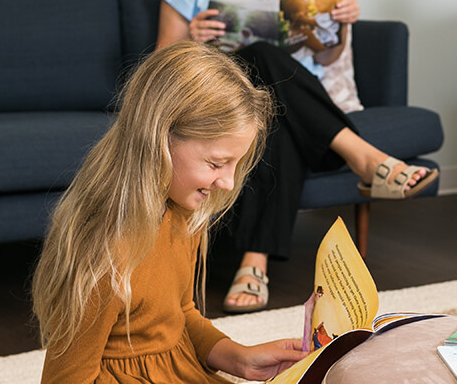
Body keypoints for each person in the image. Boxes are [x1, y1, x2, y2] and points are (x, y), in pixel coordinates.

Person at [157, 0, 438, 314]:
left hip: (287, 102)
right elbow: (160, 67)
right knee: (263, 59)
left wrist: (341, 28)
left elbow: (325, 58)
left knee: (272, 107)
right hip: (219, 98)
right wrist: (191, 36)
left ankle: (255, 263)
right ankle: (366, 158)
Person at [31, 41, 308, 383]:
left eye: (236, 164)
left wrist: (240, 360)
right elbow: (65, 378)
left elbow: (179, 317)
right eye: (217, 163)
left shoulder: (183, 214)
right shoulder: (104, 252)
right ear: (159, 139)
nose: (228, 181)